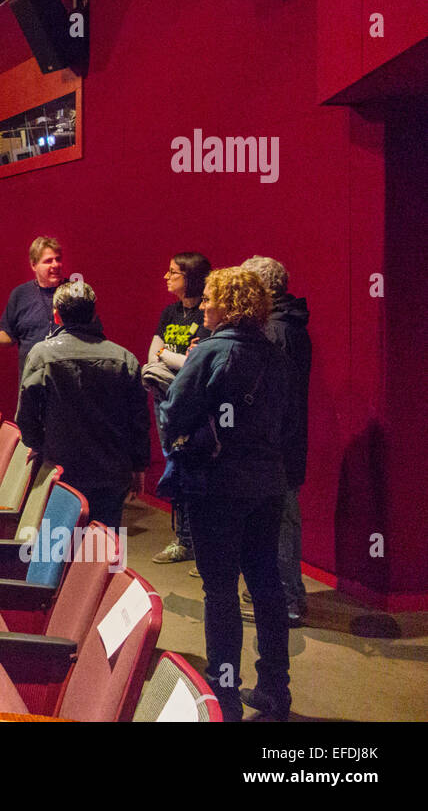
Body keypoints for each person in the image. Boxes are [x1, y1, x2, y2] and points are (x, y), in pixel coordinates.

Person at [158, 267, 294, 721]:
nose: (206, 308)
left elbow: (175, 413)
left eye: (212, 300)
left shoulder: (213, 352)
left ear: (227, 304)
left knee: (220, 593)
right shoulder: (276, 353)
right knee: (266, 584)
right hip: (267, 483)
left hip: (216, 485)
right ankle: (276, 688)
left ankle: (226, 696)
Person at [15, 281, 149, 529]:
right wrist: (138, 465)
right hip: (112, 473)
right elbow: (138, 421)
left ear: (56, 315)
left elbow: (27, 415)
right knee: (101, 552)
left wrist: (38, 446)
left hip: (61, 469)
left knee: (57, 552)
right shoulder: (125, 358)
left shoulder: (42, 354)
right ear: (93, 314)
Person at [242, 255, 312, 626]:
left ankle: (285, 600)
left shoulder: (275, 331)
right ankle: (286, 594)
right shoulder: (288, 326)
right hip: (286, 443)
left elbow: (271, 396)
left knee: (281, 520)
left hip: (275, 447)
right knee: (284, 518)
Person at [147, 252, 213, 567]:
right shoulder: (169, 312)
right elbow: (152, 356)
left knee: (192, 468)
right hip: (165, 399)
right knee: (174, 465)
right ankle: (184, 540)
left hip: (194, 404)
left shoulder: (207, 314)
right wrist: (167, 357)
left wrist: (164, 355)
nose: (166, 276)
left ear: (190, 277)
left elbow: (194, 364)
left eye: (173, 272)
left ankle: (196, 543)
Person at [0, 236, 66, 376]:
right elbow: (9, 334)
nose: (55, 265)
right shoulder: (21, 294)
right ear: (33, 265)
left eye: (58, 259)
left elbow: (90, 334)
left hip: (67, 382)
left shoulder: (74, 292)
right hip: (31, 384)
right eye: (48, 261)